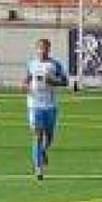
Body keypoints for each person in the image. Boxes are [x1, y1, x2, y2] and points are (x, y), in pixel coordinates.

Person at [22, 38, 68, 180]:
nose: (43, 51)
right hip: (35, 104)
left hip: (50, 105)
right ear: (36, 49)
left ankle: (43, 150)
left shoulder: (55, 65)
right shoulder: (31, 64)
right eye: (40, 48)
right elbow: (27, 79)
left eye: (46, 48)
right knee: (37, 135)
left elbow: (64, 81)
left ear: (49, 49)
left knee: (49, 136)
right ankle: (38, 169)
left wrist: (53, 81)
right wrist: (24, 85)